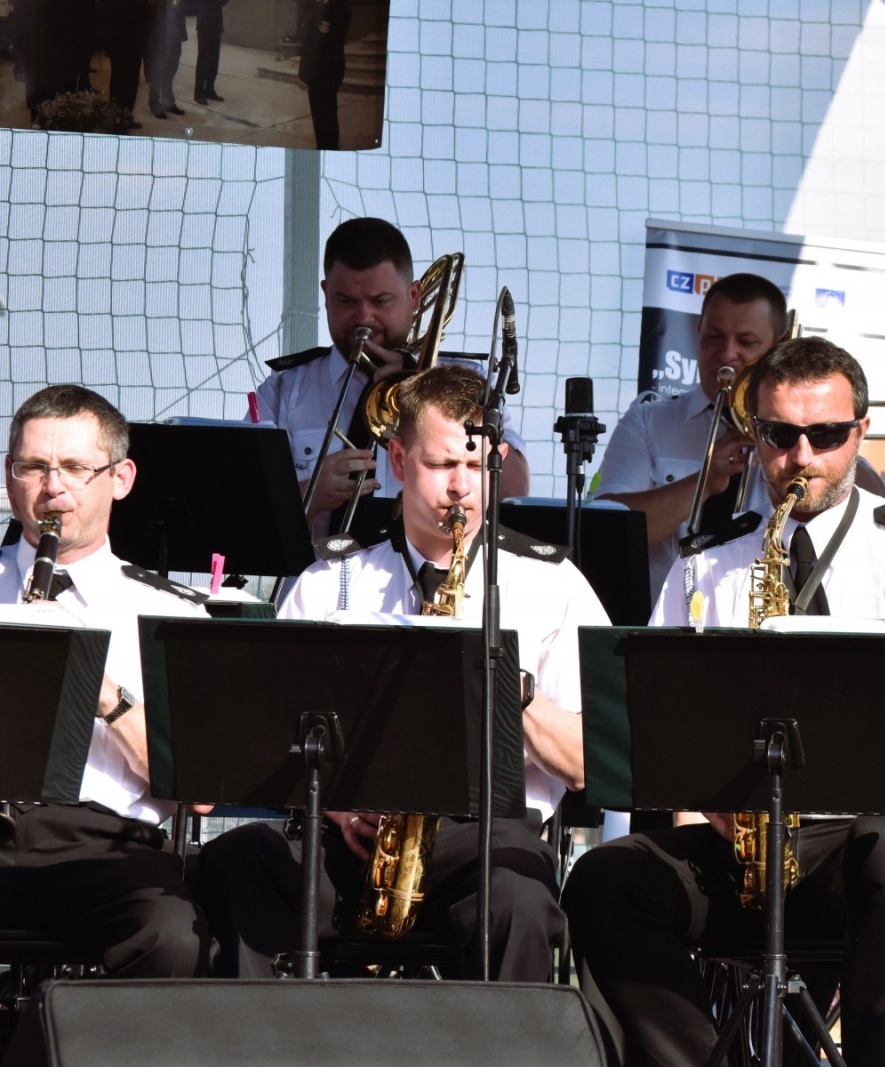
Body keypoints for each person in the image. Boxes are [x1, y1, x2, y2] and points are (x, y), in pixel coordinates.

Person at [564, 336, 885, 1067]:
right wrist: (708, 804)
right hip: (749, 840)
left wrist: (884, 678)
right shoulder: (707, 565)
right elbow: (658, 720)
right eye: (781, 434)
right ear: (755, 436)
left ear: (860, 432)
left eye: (825, 435)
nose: (802, 456)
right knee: (605, 879)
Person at [198, 364, 610, 980]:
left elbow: (589, 763)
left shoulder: (553, 583)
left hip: (490, 837)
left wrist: (512, 690)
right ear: (397, 458)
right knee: (239, 862)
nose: (461, 489)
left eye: (477, 467)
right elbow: (267, 741)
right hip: (352, 834)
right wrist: (338, 811)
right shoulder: (331, 580)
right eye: (443, 465)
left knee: (520, 902)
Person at [0, 384, 212, 978]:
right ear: (9, 474)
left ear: (120, 478)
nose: (53, 486)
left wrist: (101, 691)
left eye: (74, 467)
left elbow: (199, 791)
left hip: (102, 847)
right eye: (34, 466)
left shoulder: (170, 611)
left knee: (172, 937)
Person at [254, 216, 529, 541]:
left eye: (380, 301)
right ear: (326, 294)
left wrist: (432, 392)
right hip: (315, 586)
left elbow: (513, 492)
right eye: (346, 301)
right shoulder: (283, 389)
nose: (363, 317)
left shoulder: (466, 382)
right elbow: (242, 511)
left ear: (414, 297)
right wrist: (309, 494)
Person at [596, 272, 789, 596]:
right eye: (714, 336)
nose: (727, 354)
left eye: (746, 342)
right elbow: (606, 534)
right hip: (659, 632)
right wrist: (703, 483)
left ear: (778, 345)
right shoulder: (648, 420)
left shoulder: (798, 437)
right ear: (698, 331)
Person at [298, 0, 350, 151]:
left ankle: (326, 148)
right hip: (328, 71)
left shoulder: (331, 7)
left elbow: (318, 46)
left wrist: (305, 74)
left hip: (322, 73)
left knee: (323, 119)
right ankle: (327, 146)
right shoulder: (331, 5)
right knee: (326, 117)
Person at [102, 0, 152, 127]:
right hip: (120, 39)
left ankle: (126, 116)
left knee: (131, 80)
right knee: (119, 80)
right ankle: (115, 120)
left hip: (134, 40)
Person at [144, 0, 185, 120]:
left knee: (171, 69)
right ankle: (154, 103)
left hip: (175, 33)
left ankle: (168, 102)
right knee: (158, 70)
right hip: (160, 33)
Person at [193, 0, 226, 104]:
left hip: (216, 25)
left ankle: (209, 90)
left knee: (214, 60)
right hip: (205, 25)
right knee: (203, 60)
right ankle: (199, 93)